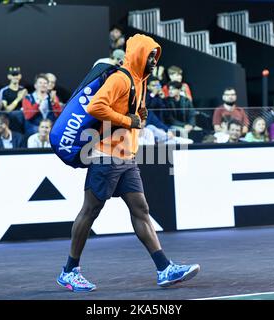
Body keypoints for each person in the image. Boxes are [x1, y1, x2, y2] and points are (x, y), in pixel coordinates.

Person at [56, 34, 200, 292]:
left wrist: (136, 116)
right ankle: (69, 271)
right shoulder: (120, 78)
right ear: (138, 55)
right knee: (90, 212)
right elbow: (95, 107)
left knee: (141, 209)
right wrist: (128, 120)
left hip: (126, 157)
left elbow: (130, 114)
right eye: (150, 56)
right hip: (106, 155)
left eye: (156, 57)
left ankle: (164, 268)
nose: (154, 62)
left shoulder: (140, 81)